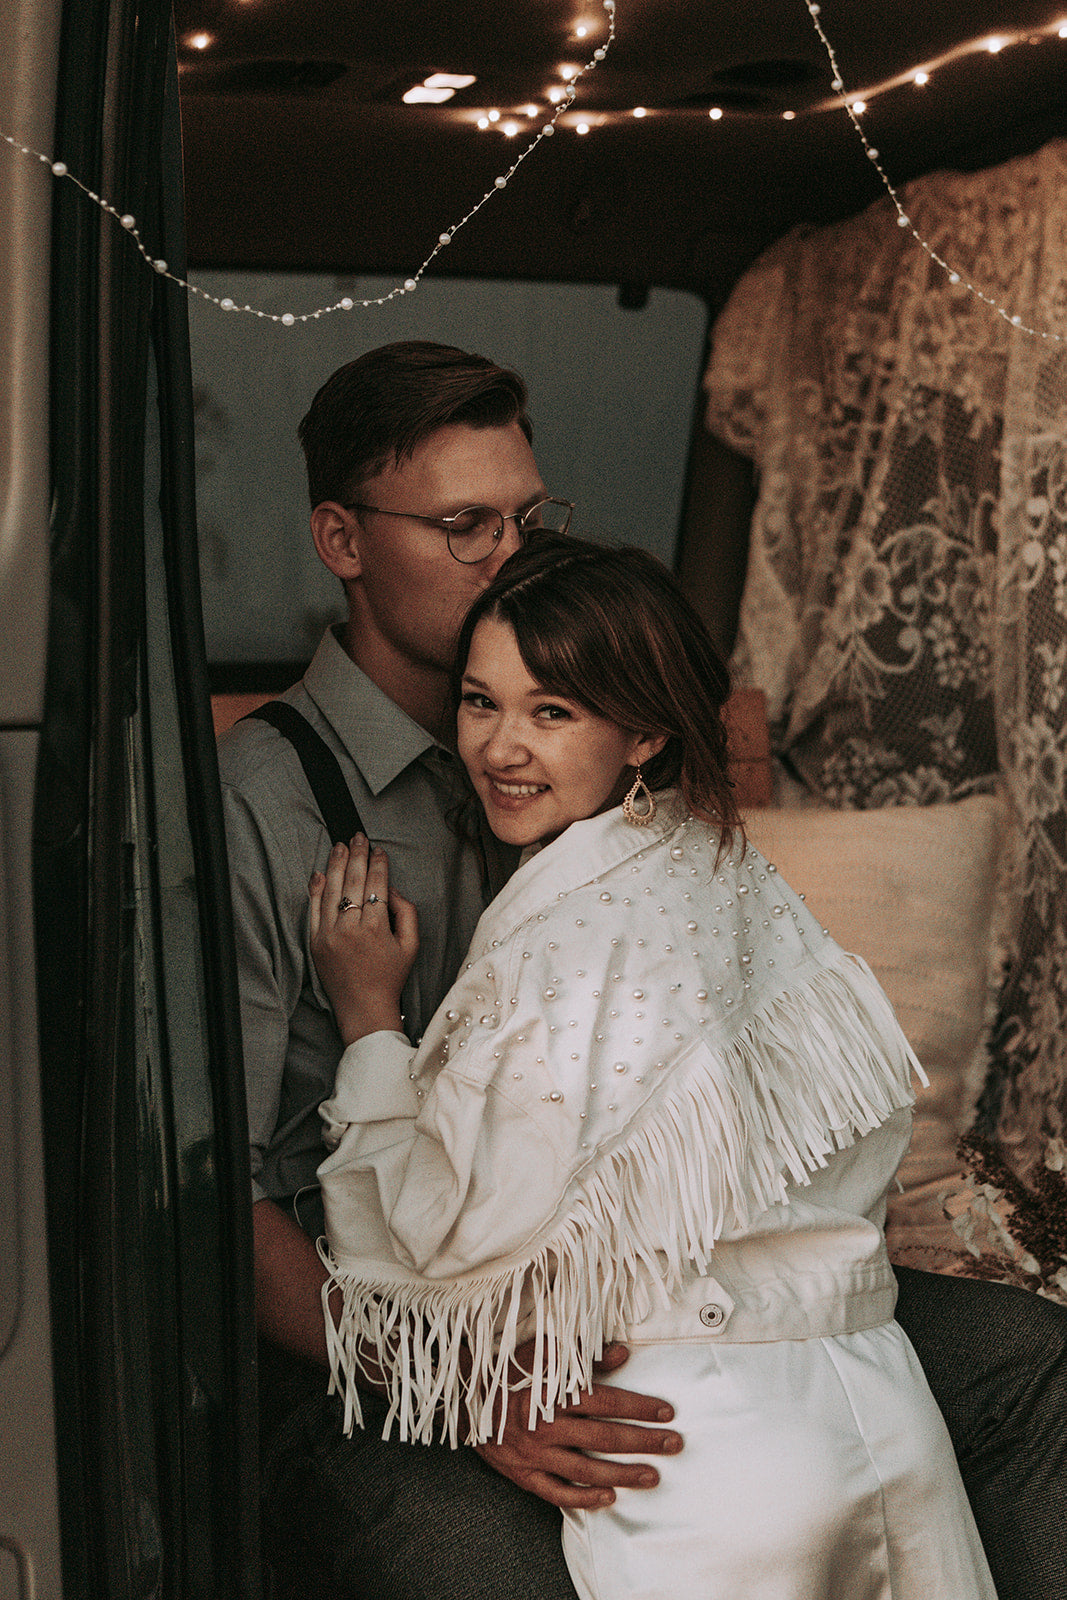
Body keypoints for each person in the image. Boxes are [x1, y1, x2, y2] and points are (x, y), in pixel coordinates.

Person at [218, 339, 1066, 1600]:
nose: (509, 554)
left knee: (1020, 1353)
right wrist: (451, 1390)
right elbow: (200, 1188)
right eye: (462, 525)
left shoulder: (637, 807)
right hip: (370, 1333)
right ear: (341, 541)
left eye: (526, 516)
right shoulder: (260, 804)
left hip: (642, 1300)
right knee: (480, 1552)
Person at [308, 534, 997, 1600]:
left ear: (642, 732)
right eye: (480, 702)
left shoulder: (569, 940)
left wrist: (367, 1025)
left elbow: (441, 1250)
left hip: (698, 1456)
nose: (498, 747)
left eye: (550, 712)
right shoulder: (737, 881)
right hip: (873, 1409)